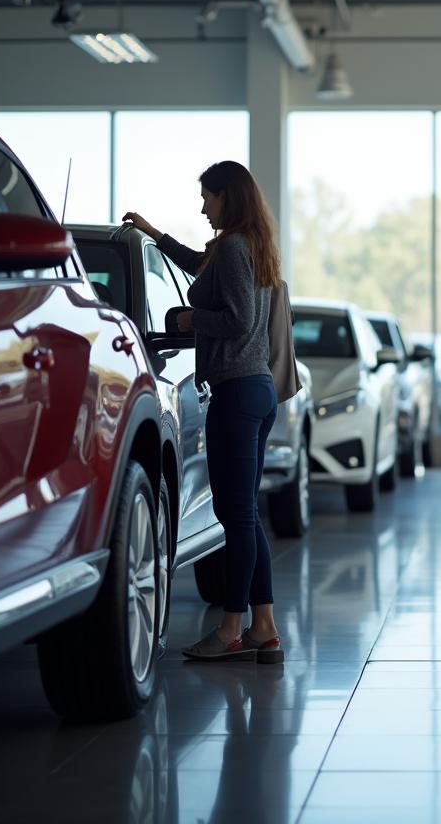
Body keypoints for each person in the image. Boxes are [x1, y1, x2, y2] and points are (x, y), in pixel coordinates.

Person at [123, 160, 284, 664]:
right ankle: (264, 627)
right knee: (245, 515)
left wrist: (191, 318)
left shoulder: (235, 248)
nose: (202, 207)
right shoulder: (246, 247)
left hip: (236, 393)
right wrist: (155, 234)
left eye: (207, 198)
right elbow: (203, 267)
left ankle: (231, 628)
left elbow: (235, 319)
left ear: (226, 198)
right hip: (255, 391)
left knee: (233, 515)